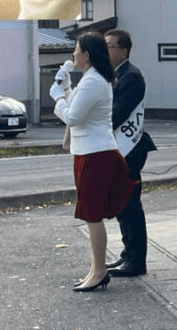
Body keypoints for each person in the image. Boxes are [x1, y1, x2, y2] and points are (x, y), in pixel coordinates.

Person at [51, 32, 137, 292]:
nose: (73, 55)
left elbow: (73, 117)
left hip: (95, 154)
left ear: (87, 54)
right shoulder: (91, 79)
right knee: (91, 214)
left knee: (92, 214)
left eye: (76, 50)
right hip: (90, 152)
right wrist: (65, 87)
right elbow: (77, 105)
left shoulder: (94, 81)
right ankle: (95, 269)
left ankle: (99, 271)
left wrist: (57, 98)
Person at [103, 30, 156, 278]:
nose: (107, 51)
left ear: (124, 49)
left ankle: (136, 260)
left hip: (130, 148)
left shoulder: (131, 76)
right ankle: (128, 254)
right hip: (120, 148)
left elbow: (118, 112)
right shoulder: (116, 75)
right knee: (122, 204)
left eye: (111, 46)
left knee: (130, 204)